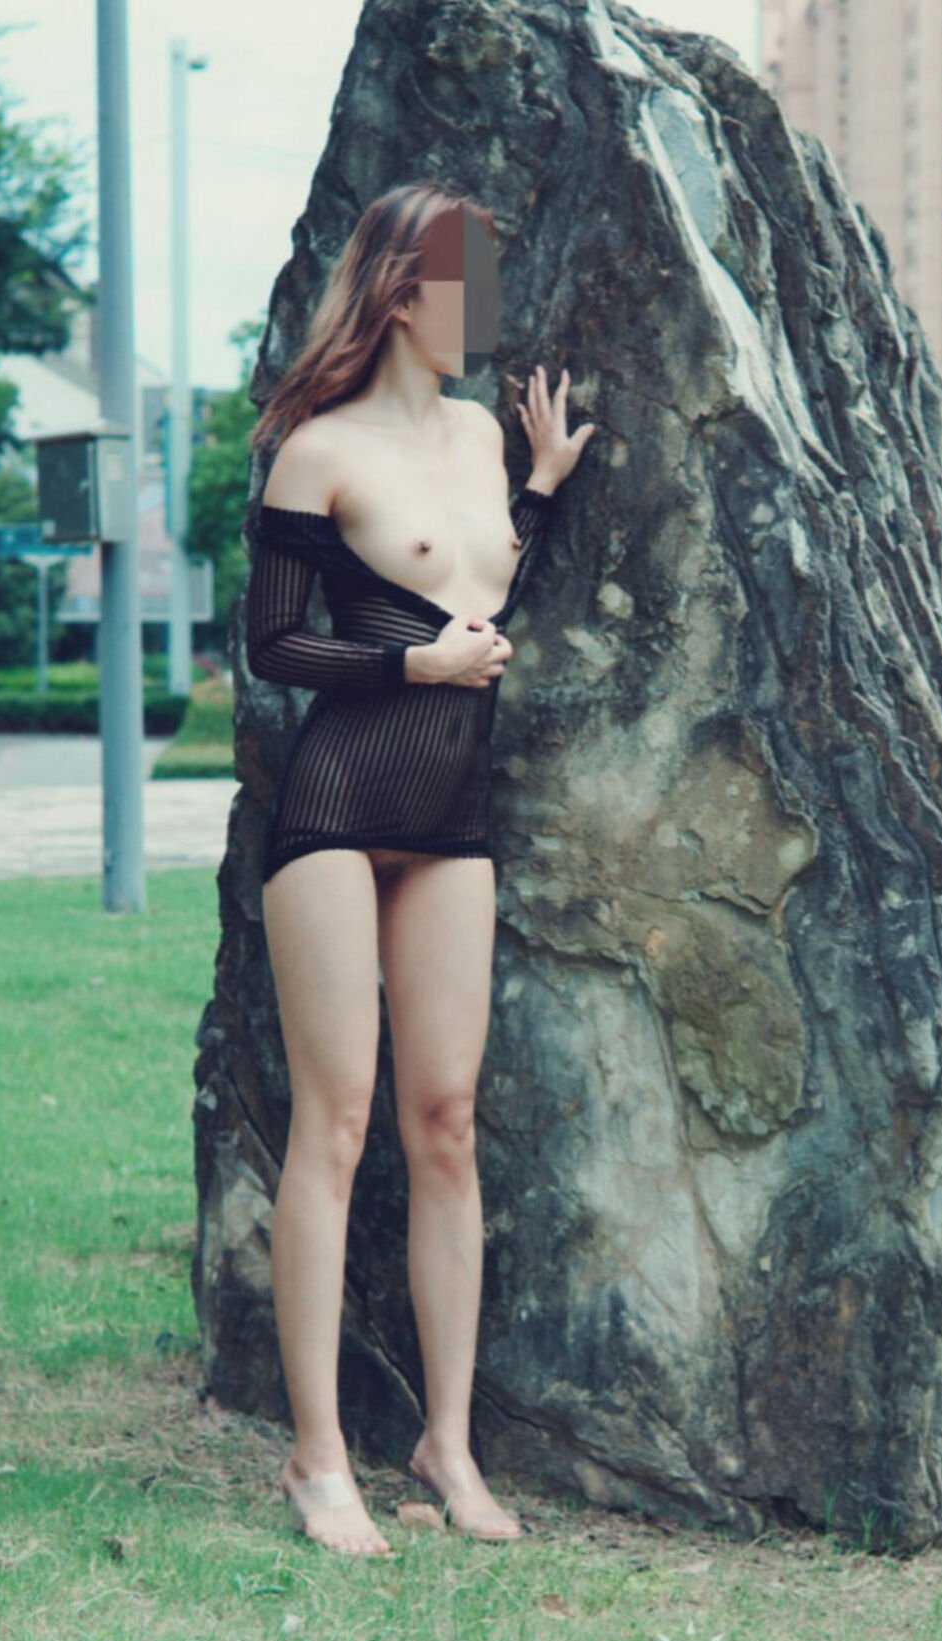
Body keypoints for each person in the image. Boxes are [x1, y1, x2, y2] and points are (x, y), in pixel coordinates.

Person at [239, 183, 594, 1558]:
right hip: (335, 809)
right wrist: (413, 664)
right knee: (335, 1125)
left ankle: (447, 1443)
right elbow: (274, 646)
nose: (485, 314)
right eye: (467, 286)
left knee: (443, 1120)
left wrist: (542, 492)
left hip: (452, 813)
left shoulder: (478, 436)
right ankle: (318, 1457)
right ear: (401, 293)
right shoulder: (316, 451)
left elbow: (487, 591)